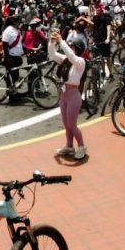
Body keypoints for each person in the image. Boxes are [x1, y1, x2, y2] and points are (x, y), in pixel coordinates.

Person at [49, 29, 87, 159]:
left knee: (72, 125)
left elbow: (71, 55)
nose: (69, 48)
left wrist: (61, 41)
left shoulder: (80, 62)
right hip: (64, 95)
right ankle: (69, 146)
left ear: (77, 48)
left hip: (73, 96)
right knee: (66, 124)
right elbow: (52, 55)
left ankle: (82, 146)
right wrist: (52, 42)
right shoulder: (66, 60)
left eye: (72, 47)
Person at [1, 16, 24, 93]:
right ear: (14, 22)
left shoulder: (16, 30)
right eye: (19, 22)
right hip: (11, 57)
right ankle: (11, 96)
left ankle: (14, 93)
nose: (20, 23)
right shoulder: (8, 31)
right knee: (11, 78)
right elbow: (4, 45)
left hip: (16, 57)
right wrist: (8, 58)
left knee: (15, 77)